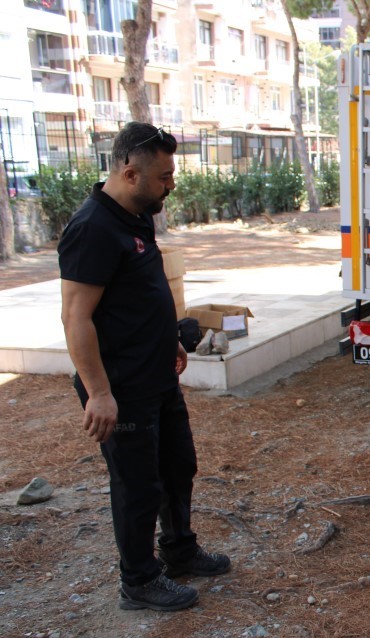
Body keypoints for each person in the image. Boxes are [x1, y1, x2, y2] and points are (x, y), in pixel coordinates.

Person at [58, 122, 230, 613]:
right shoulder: (92, 228)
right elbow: (75, 317)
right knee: (137, 485)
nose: (170, 185)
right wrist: (99, 392)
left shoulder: (135, 216)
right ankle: (138, 580)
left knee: (178, 467)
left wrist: (169, 337)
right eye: (164, 177)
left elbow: (138, 295)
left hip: (157, 374)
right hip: (122, 385)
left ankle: (179, 550)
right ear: (130, 173)